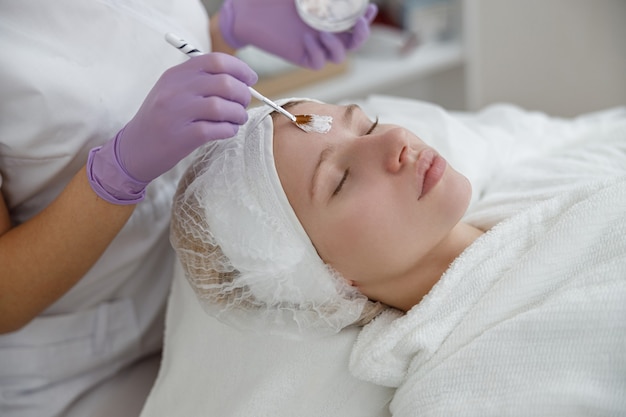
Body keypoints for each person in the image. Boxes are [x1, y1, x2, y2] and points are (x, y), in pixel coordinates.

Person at [0, 1, 377, 416]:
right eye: (337, 182)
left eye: (368, 125)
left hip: (209, 298)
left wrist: (227, 34)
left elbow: (153, 61)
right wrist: (115, 173)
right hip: (81, 363)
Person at [171, 97, 626, 415]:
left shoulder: (545, 175)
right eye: (342, 179)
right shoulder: (466, 388)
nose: (396, 143)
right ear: (327, 281)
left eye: (367, 124)